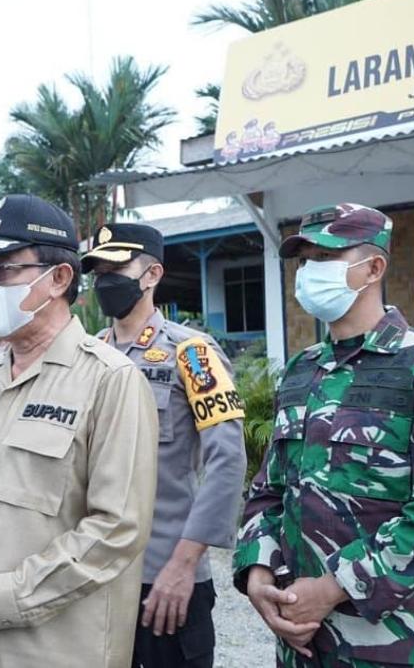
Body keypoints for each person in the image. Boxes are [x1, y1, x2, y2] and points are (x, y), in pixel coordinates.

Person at [0, 194, 160, 668]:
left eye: (2, 269)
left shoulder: (110, 380)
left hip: (50, 651)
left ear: (59, 278)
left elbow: (117, 529)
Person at [233, 203, 414, 667]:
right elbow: (269, 490)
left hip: (392, 644)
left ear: (374, 267)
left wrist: (333, 589)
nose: (309, 273)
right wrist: (257, 569)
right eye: (305, 260)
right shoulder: (301, 371)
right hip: (300, 640)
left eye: (327, 258)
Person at [81, 223, 248, 668]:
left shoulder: (192, 354)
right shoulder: (90, 356)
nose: (105, 281)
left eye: (116, 267)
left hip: (165, 575)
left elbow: (227, 459)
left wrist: (185, 564)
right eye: (97, 270)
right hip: (93, 574)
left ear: (152, 274)